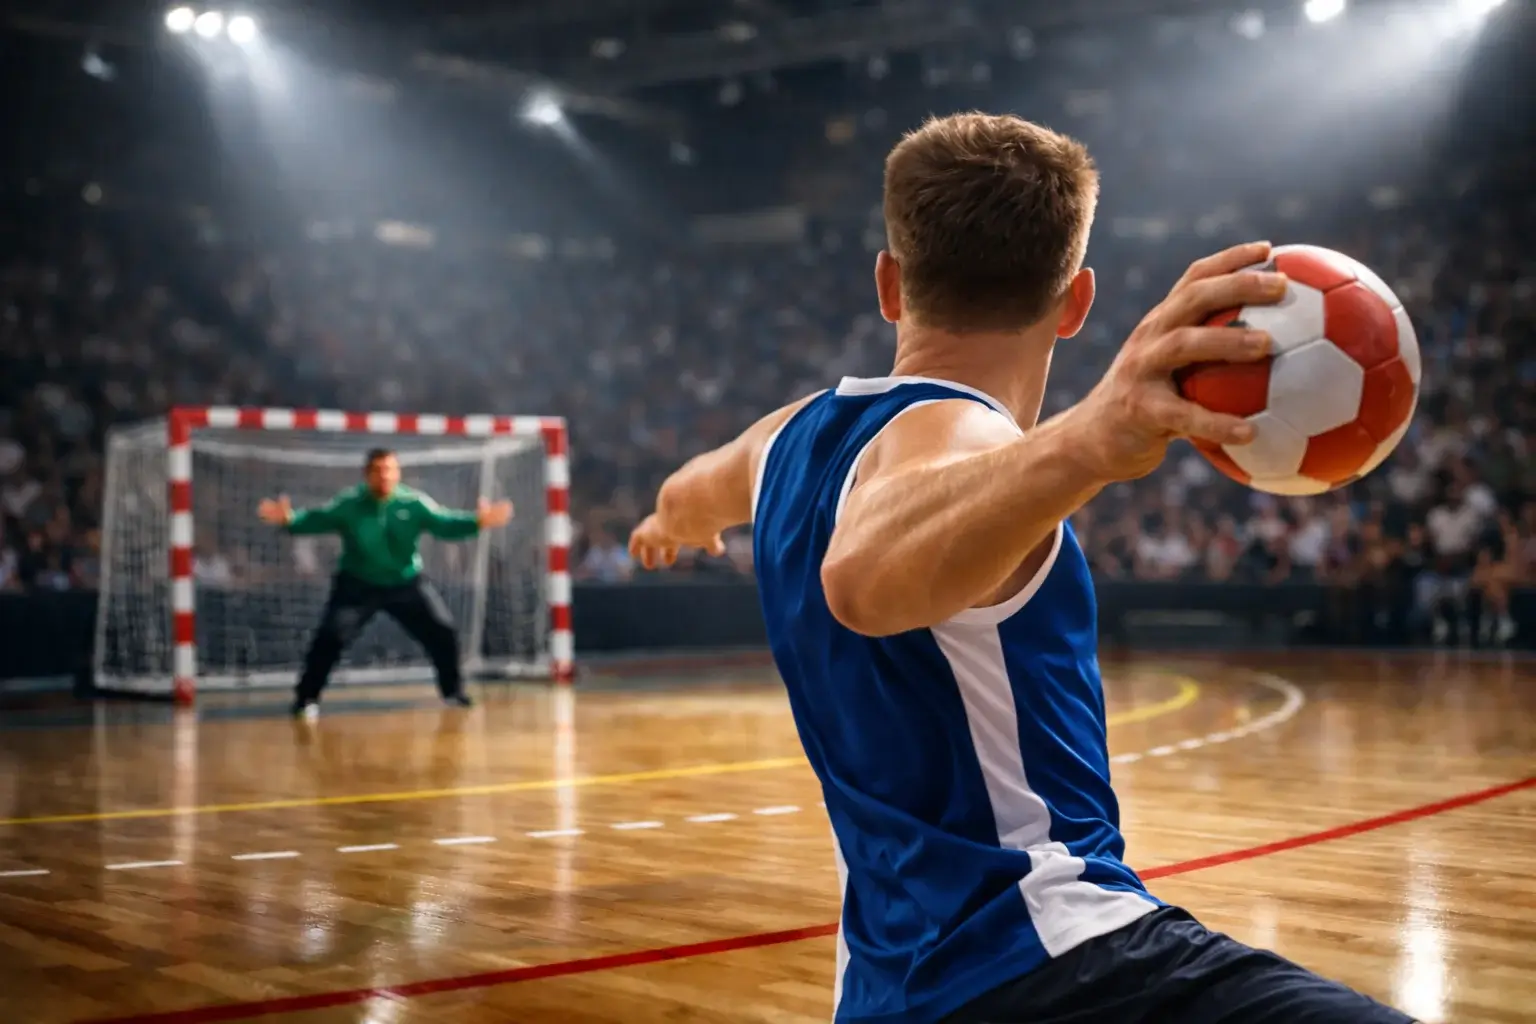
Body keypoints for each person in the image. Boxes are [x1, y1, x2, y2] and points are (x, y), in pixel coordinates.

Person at [628, 114, 1414, 1023]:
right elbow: (862, 575)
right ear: (1077, 302)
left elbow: (693, 492)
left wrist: (665, 523)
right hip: (1055, 959)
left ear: (889, 283)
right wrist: (1092, 434)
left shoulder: (781, 441)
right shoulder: (968, 435)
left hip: (891, 992)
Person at [257, 448, 513, 718]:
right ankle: (306, 699)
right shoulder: (350, 504)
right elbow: (316, 520)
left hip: (405, 584)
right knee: (330, 637)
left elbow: (444, 523)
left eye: (390, 470)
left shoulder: (414, 503)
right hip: (357, 586)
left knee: (443, 632)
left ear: (398, 473)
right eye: (378, 471)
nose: (384, 476)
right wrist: (290, 520)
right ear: (367, 475)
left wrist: (477, 521)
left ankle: (453, 692)